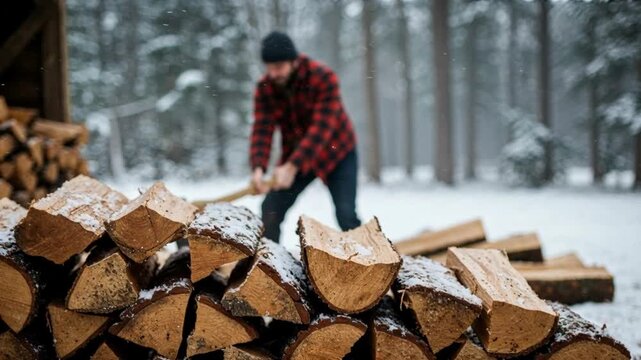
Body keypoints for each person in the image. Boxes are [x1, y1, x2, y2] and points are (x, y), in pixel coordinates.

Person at [250, 31, 361, 243]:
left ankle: (371, 264)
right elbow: (262, 129)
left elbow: (321, 129)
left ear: (294, 61)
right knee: (270, 210)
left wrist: (292, 166)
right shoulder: (265, 88)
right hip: (298, 157)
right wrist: (258, 168)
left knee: (346, 215)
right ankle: (270, 266)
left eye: (279, 67)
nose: (274, 74)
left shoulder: (323, 77)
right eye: (270, 68)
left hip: (337, 153)